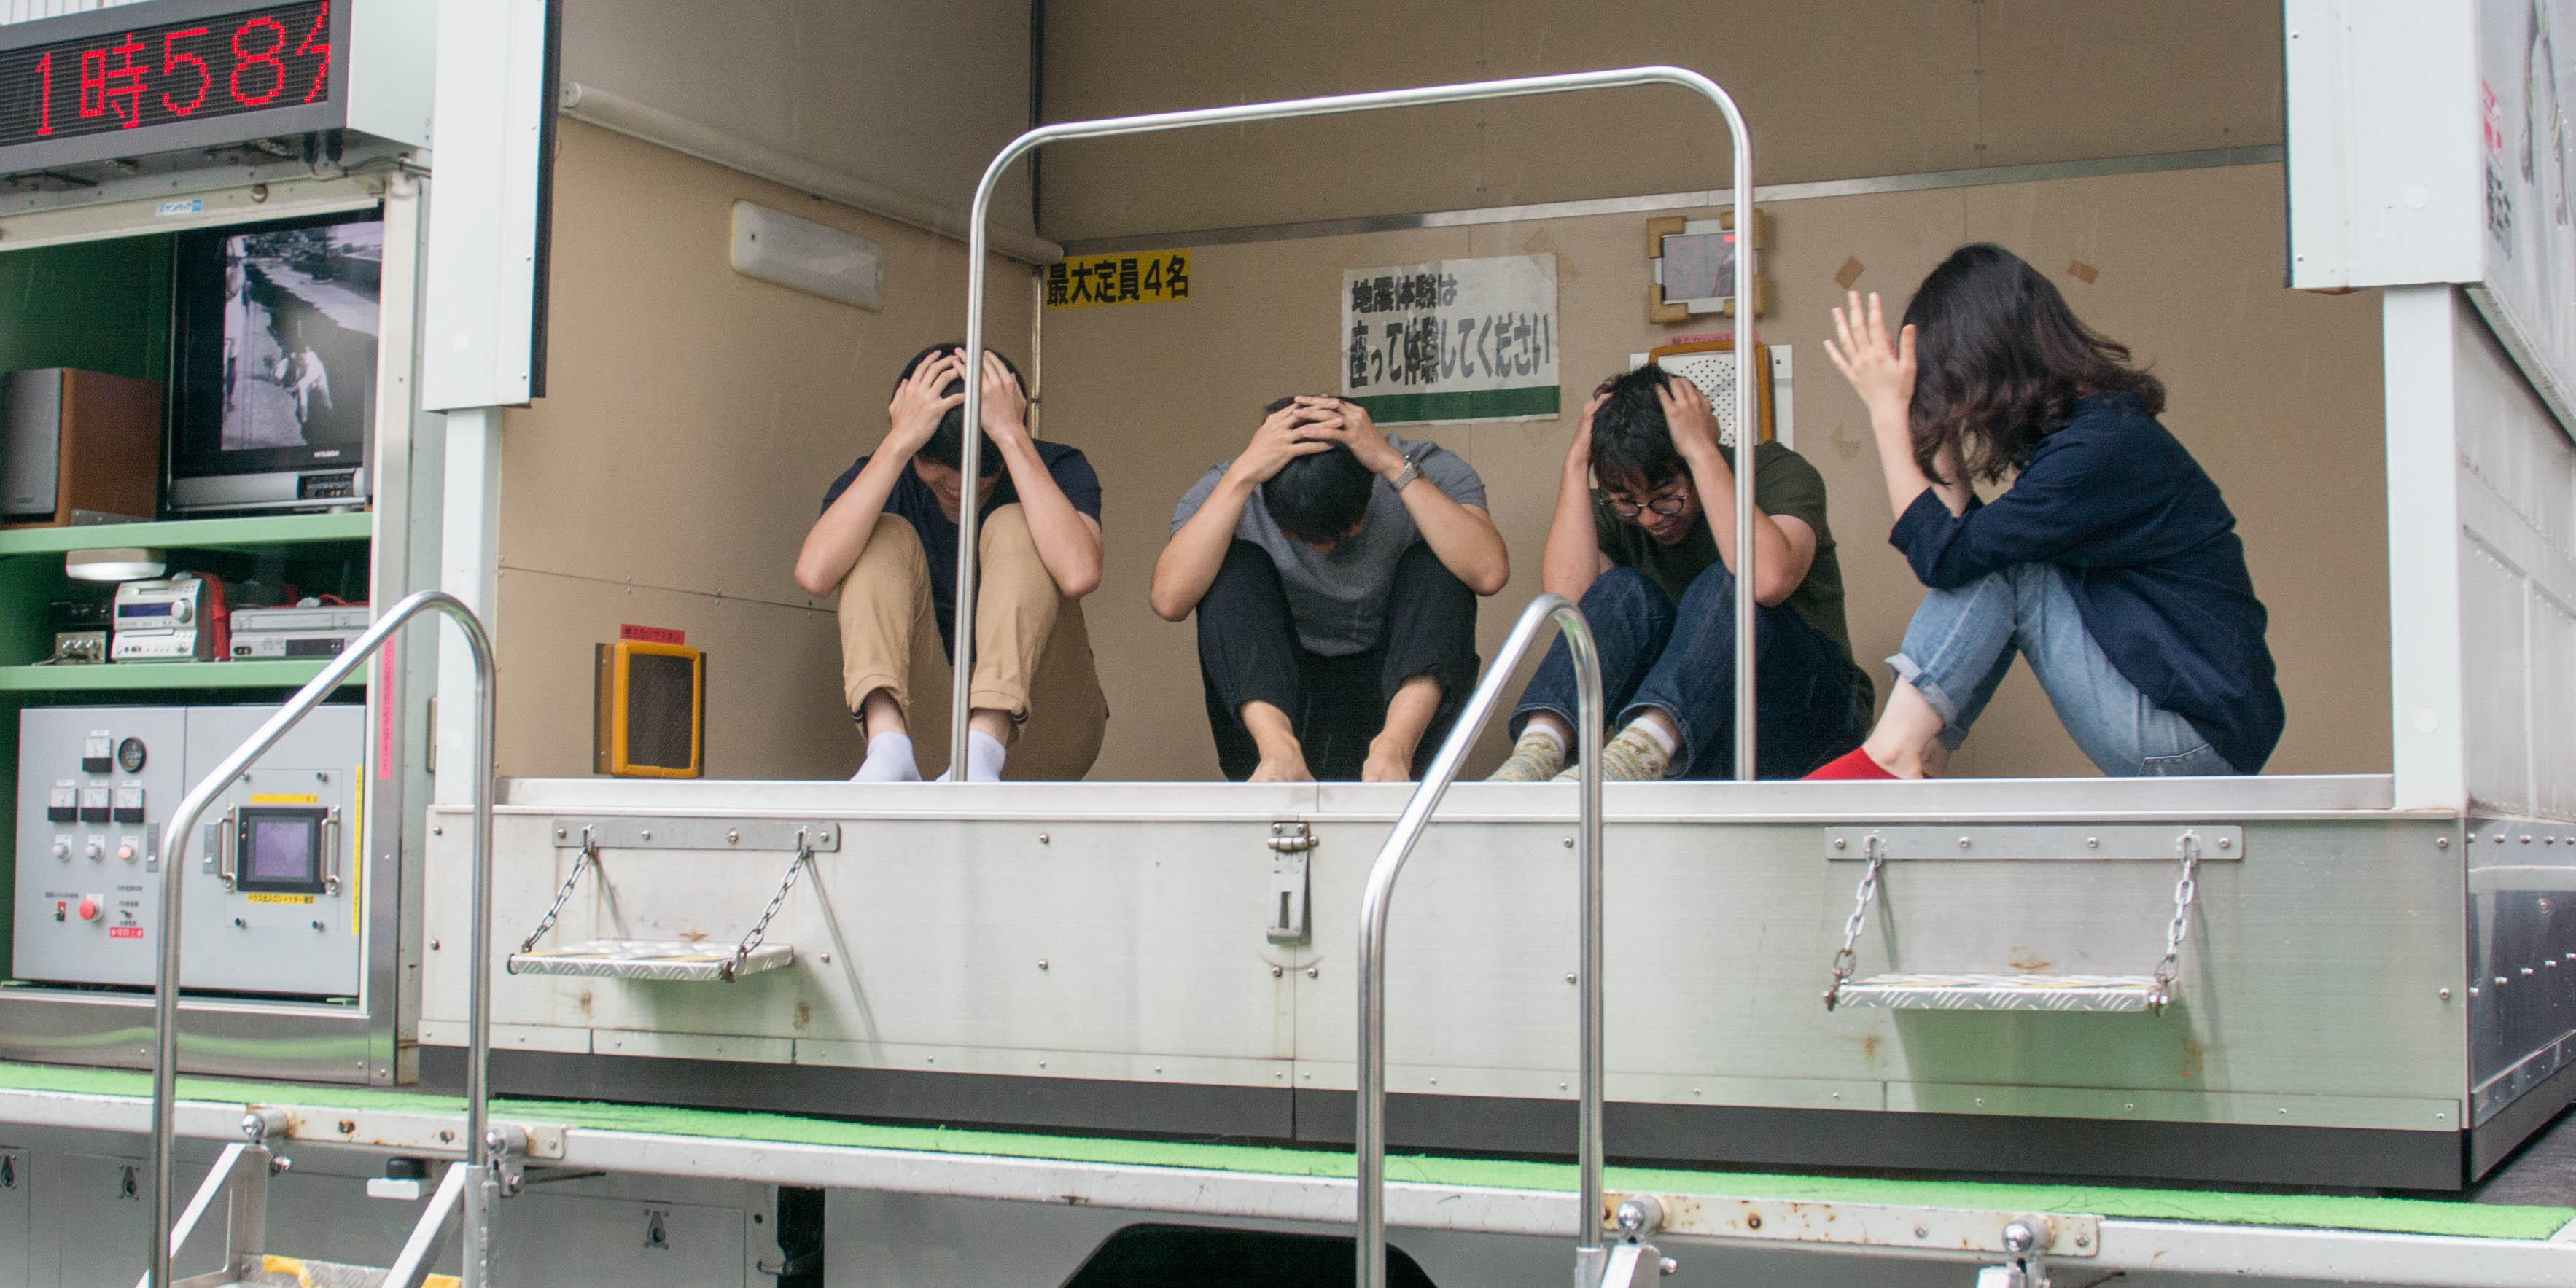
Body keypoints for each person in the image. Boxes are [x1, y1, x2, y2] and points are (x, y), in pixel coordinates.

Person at [1817, 247, 2281, 778]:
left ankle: (1898, 752)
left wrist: (1887, 416)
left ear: (1984, 356)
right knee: (1997, 559)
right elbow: (1962, 546)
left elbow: (1949, 558)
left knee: (2011, 568)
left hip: (2190, 742)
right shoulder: (2100, 433)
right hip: (2197, 732)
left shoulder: (2097, 452)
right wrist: (1930, 426)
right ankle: (1918, 754)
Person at [1490, 365, 1873, 783]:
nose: (1650, 518)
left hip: (1804, 709)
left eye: (1667, 499)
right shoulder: (1616, 510)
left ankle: (1640, 751)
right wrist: (1576, 463)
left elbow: (1768, 578)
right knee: (1618, 589)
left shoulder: (1774, 470)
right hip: (1689, 729)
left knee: (1731, 581)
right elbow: (1571, 604)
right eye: (1627, 503)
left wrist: (1700, 449)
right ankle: (1538, 753)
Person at [1151, 397, 1508, 781]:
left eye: (1344, 532)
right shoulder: (1236, 481)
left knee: (1440, 563)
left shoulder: (1422, 467)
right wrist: (1242, 476)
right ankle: (1279, 752)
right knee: (1232, 569)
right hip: (1276, 696)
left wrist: (1390, 464)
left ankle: (1394, 750)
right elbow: (1170, 600)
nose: (1323, 549)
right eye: (1300, 537)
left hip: (1399, 696)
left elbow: (1488, 573)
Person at [793, 346, 1107, 782]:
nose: (959, 487)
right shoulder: (888, 473)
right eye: (940, 469)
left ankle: (984, 747)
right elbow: (815, 574)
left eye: (980, 471)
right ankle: (888, 751)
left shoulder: (1055, 465)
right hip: (932, 731)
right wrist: (900, 442)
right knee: (879, 533)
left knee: (1016, 523)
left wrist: (1011, 437)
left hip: (1045, 726)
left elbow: (1079, 573)